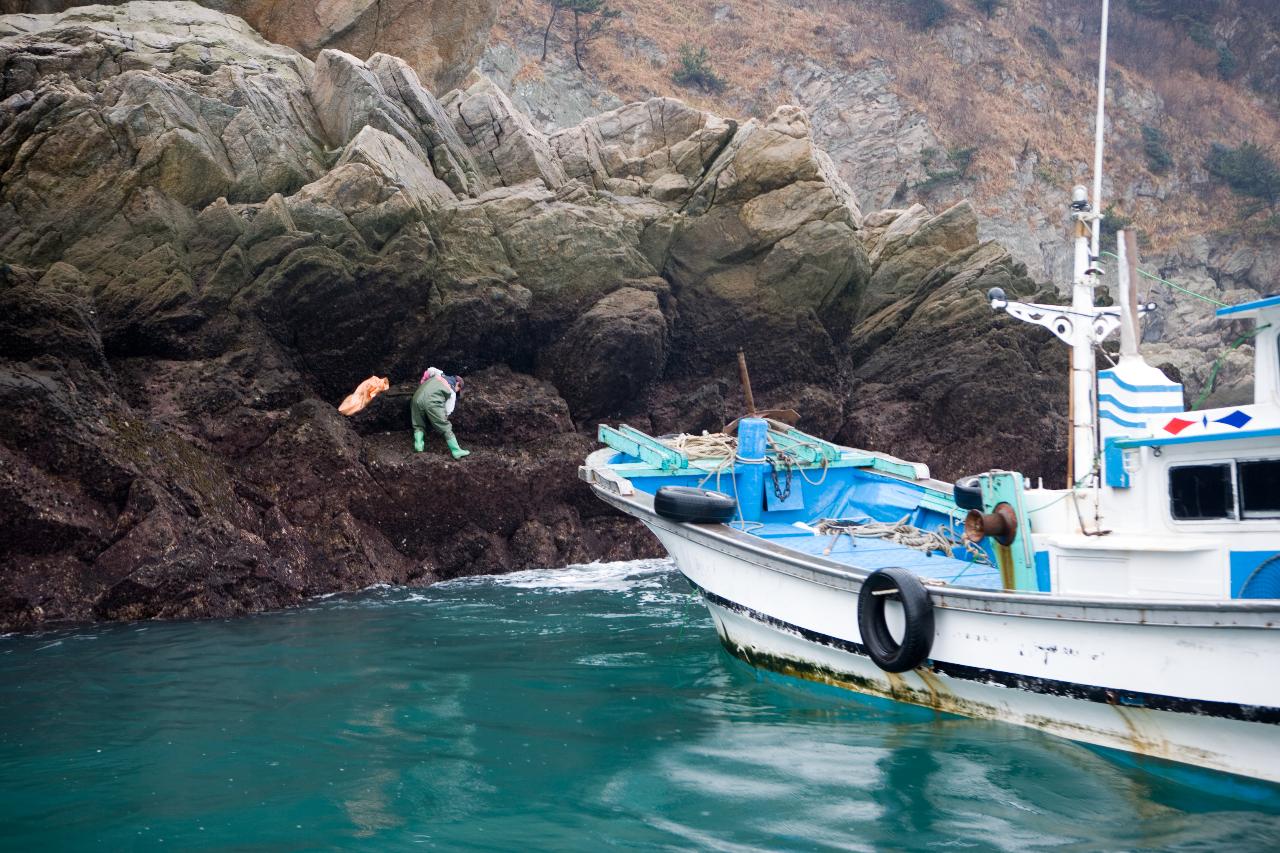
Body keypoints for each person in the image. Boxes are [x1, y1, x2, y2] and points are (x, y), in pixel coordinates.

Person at [411, 367, 470, 459]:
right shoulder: (452, 392)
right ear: (457, 384)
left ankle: (418, 446)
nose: (457, 391)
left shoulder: (438, 374)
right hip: (432, 402)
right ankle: (456, 450)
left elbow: (429, 370)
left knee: (418, 424)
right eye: (459, 389)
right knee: (445, 426)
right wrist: (439, 419)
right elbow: (447, 410)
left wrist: (423, 381)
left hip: (416, 397)